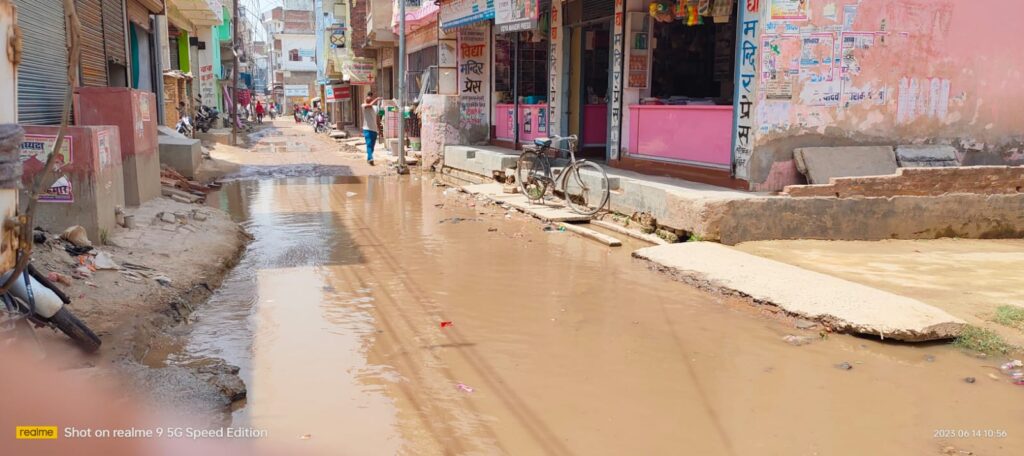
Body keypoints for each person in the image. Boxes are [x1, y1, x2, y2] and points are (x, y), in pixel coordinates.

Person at [361, 92, 382, 166]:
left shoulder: (375, 108)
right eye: (367, 100)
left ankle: (369, 158)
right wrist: (377, 99)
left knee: (372, 146)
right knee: (369, 144)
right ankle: (370, 158)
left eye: (370, 100)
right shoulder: (363, 106)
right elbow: (369, 105)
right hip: (366, 129)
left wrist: (380, 130)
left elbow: (377, 120)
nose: (368, 101)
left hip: (374, 130)